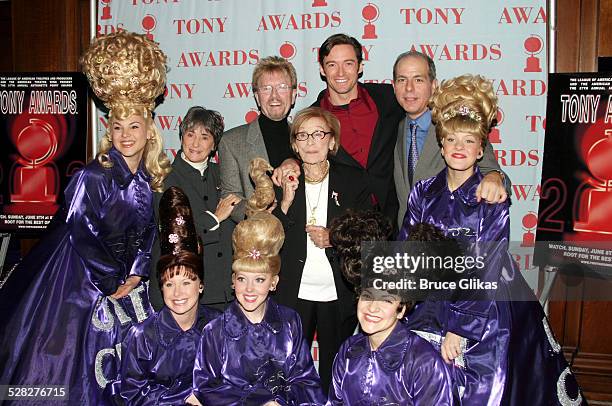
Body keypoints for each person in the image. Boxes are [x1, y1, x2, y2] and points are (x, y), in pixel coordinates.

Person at [0, 31, 171, 404]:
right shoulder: (93, 174)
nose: (125, 135)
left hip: (127, 285)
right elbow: (81, 230)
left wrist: (139, 270)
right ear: (108, 129)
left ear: (149, 131)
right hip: (80, 282)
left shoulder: (147, 177)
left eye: (134, 127)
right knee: (70, 366)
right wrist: (111, 282)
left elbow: (148, 231)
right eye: (117, 126)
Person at [398, 74, 584, 405]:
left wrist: (460, 328)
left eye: (468, 141)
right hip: (431, 301)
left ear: (481, 148)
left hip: (486, 307)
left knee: (485, 387)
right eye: (452, 139)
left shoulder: (491, 195)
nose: (459, 148)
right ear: (441, 144)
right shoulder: (423, 192)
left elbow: (486, 267)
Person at [192, 158, 326, 406]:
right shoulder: (215, 330)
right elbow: (204, 388)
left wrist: (279, 401)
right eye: (242, 279)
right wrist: (259, 401)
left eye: (260, 279)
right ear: (233, 281)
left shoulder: (290, 322)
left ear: (274, 282)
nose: (249, 289)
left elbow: (307, 381)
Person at [273, 106, 372, 393]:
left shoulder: (353, 181)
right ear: (294, 145)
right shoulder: (283, 181)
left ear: (332, 141)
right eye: (302, 136)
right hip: (293, 291)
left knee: (335, 368)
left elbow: (370, 232)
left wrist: (335, 238)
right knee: (291, 368)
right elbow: (269, 237)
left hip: (337, 290)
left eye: (318, 134)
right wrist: (285, 204)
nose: (311, 142)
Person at [327, 210, 455, 405]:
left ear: (401, 309)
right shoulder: (349, 351)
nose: (373, 307)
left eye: (386, 300)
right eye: (367, 295)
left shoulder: (423, 362)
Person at [107, 186, 221, 405]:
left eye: (187, 282)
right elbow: (131, 395)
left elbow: (236, 379)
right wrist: (184, 400)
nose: (178, 293)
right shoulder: (144, 336)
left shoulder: (219, 327)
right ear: (161, 287)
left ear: (201, 285)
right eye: (170, 284)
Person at [392, 50, 508, 228]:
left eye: (418, 79)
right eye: (402, 80)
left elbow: (494, 172)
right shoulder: (393, 126)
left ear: (434, 85)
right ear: (393, 86)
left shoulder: (456, 127)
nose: (409, 88)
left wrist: (495, 177)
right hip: (407, 243)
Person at [149, 106, 239, 311]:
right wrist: (215, 218)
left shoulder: (224, 174)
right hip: (181, 293)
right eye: (190, 134)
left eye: (205, 137)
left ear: (214, 144)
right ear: (182, 137)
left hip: (225, 291)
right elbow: (176, 235)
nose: (196, 143)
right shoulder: (165, 179)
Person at [312, 33, 405, 228]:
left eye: (348, 63)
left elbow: (436, 118)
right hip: (344, 228)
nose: (340, 73)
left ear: (360, 66)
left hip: (395, 220)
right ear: (322, 70)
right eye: (331, 65)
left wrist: (487, 170)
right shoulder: (313, 119)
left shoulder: (389, 98)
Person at [219, 56, 299, 222]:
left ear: (294, 95)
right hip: (259, 240)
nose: (274, 96)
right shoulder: (231, 141)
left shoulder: (307, 139)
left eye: (282, 87)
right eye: (266, 89)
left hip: (302, 235)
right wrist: (261, 216)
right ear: (256, 96)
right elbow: (231, 199)